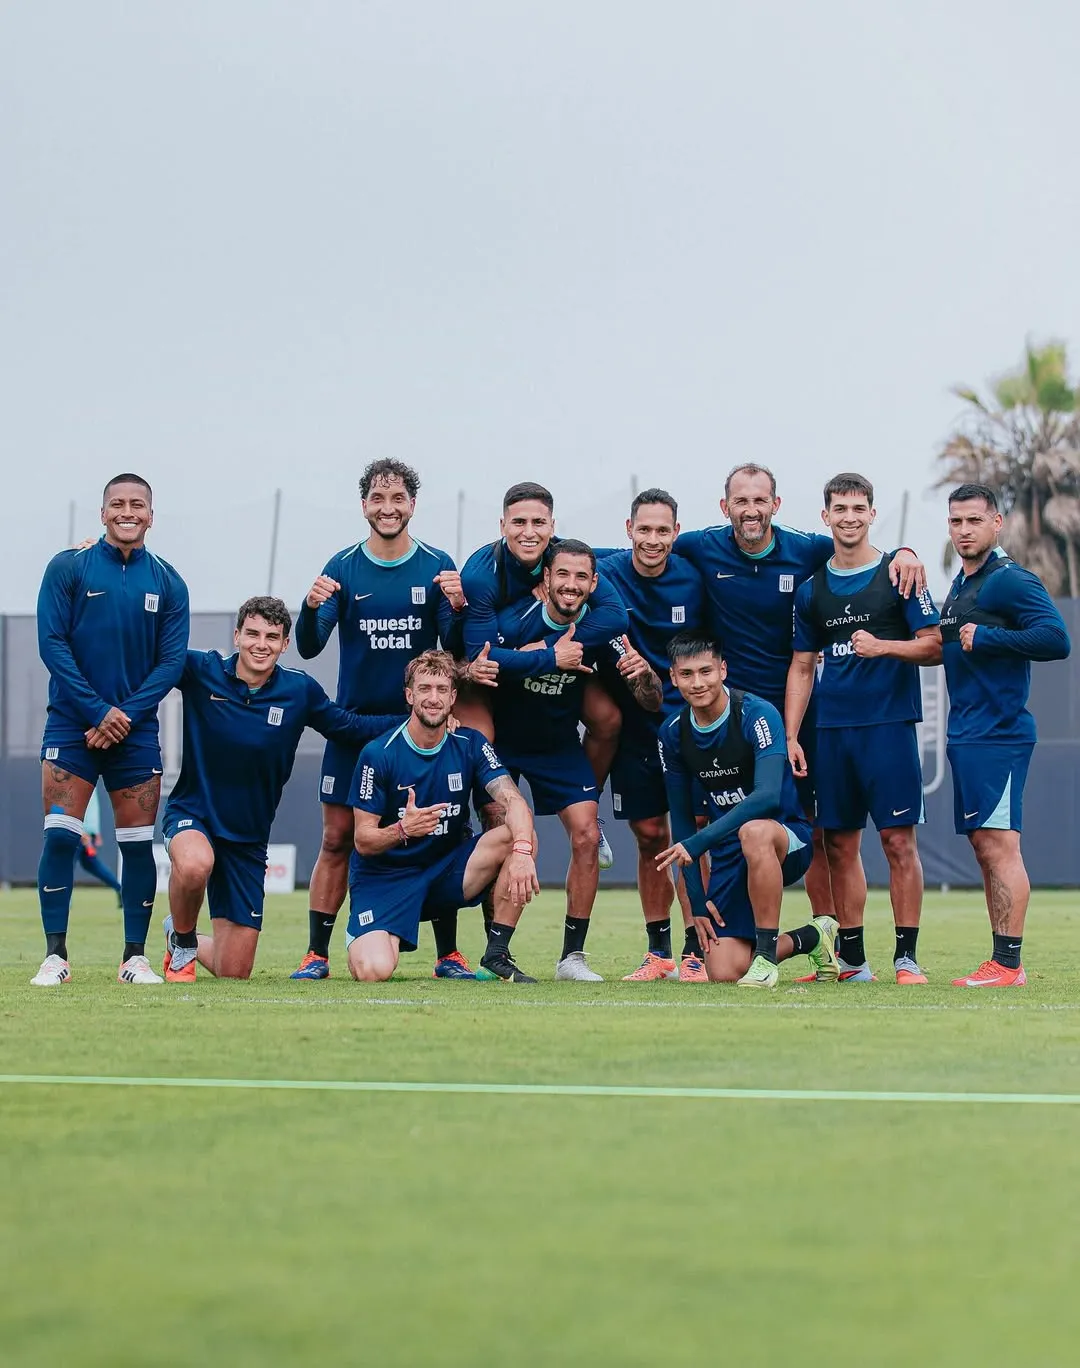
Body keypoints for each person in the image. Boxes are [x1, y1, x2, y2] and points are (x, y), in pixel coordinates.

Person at [674, 463, 926, 927]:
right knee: (707, 824)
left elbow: (858, 547)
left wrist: (905, 551)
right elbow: (641, 549)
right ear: (725, 506)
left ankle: (829, 939)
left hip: (797, 717)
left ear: (777, 504)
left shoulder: (806, 549)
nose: (751, 510)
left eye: (760, 500)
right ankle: (700, 942)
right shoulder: (700, 545)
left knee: (816, 831)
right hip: (725, 714)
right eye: (741, 501)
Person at [289, 459, 473, 981]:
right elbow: (308, 644)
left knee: (439, 834)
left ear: (412, 505)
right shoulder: (343, 566)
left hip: (417, 729)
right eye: (377, 498)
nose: (388, 508)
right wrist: (308, 607)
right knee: (336, 838)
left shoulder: (436, 564)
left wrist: (457, 608)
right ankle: (316, 953)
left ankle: (449, 954)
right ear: (364, 504)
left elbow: (453, 649)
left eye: (398, 499)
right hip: (355, 727)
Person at [161, 597, 405, 981]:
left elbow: (348, 727)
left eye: (272, 637)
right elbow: (146, 651)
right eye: (253, 634)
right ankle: (184, 941)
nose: (262, 644)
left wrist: (417, 720)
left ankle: (176, 932)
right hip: (195, 814)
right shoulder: (200, 669)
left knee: (234, 971)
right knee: (194, 865)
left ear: (285, 643)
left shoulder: (299, 691)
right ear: (237, 635)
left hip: (248, 837)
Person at [32, 473, 189, 987]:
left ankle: (133, 958)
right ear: (103, 513)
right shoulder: (68, 567)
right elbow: (52, 645)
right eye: (117, 504)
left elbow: (170, 665)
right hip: (72, 726)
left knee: (138, 846)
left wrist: (121, 716)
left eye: (137, 504)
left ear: (151, 514)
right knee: (60, 840)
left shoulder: (169, 581)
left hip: (135, 732)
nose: (128, 511)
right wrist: (98, 711)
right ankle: (55, 957)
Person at [786, 472, 941, 984]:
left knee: (898, 843)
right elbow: (802, 666)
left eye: (859, 508)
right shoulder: (812, 592)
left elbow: (934, 645)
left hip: (889, 727)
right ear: (825, 516)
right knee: (838, 846)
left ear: (872, 514)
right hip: (832, 732)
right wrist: (790, 735)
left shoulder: (900, 574)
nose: (849, 517)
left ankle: (907, 957)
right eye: (840, 509)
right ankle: (853, 961)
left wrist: (882, 647)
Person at [492, 540, 662, 980]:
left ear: (594, 583)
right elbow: (479, 667)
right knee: (505, 837)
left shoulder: (603, 629)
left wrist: (644, 675)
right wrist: (534, 658)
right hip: (506, 744)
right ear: (545, 579)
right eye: (562, 575)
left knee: (586, 836)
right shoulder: (514, 622)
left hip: (559, 746)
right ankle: (495, 952)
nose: (570, 585)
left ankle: (572, 957)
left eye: (581, 577)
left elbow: (648, 700)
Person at [939, 484, 1071, 987]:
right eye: (956, 522)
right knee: (984, 847)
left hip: (1000, 734)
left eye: (974, 520)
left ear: (996, 523)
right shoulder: (961, 584)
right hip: (968, 733)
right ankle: (1001, 960)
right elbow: (949, 647)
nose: (964, 530)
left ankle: (1009, 965)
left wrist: (989, 637)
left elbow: (1056, 638)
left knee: (1000, 848)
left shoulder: (1009, 580)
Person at [459, 481, 629, 868]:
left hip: (550, 666)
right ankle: (463, 820)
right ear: (502, 525)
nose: (529, 532)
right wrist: (549, 657)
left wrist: (560, 646)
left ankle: (590, 807)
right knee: (480, 737)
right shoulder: (481, 575)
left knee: (608, 718)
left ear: (552, 526)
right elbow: (481, 660)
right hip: (479, 676)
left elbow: (615, 616)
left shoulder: (565, 560)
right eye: (519, 522)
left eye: (539, 522)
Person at [346, 650, 540, 984]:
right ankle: (366, 937)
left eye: (441, 690)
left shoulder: (470, 743)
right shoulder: (378, 753)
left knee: (520, 833)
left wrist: (523, 852)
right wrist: (403, 829)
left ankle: (496, 954)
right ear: (409, 696)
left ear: (453, 697)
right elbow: (363, 840)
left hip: (445, 874)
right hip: (386, 880)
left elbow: (514, 801)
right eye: (424, 689)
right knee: (373, 971)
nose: (433, 698)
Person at [654, 634, 837, 986]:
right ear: (674, 678)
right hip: (728, 851)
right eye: (687, 674)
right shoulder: (673, 733)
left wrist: (697, 842)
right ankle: (813, 938)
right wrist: (696, 903)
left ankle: (766, 959)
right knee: (723, 970)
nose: (698, 682)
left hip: (785, 838)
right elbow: (681, 821)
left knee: (753, 830)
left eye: (706, 671)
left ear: (723, 670)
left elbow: (767, 797)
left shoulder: (757, 714)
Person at [595, 489, 712, 982]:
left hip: (691, 727)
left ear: (676, 534)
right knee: (649, 838)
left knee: (695, 836)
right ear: (628, 530)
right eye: (644, 529)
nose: (653, 540)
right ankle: (658, 951)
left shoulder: (693, 575)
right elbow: (548, 552)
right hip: (637, 730)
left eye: (663, 530)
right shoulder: (607, 570)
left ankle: (696, 949)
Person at [72, 786, 123, 906]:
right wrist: (95, 831)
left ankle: (63, 900)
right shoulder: (90, 781)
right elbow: (93, 808)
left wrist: (83, 831)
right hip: (86, 832)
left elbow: (83, 807)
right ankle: (120, 889)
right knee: (91, 864)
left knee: (67, 866)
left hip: (79, 832)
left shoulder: (79, 779)